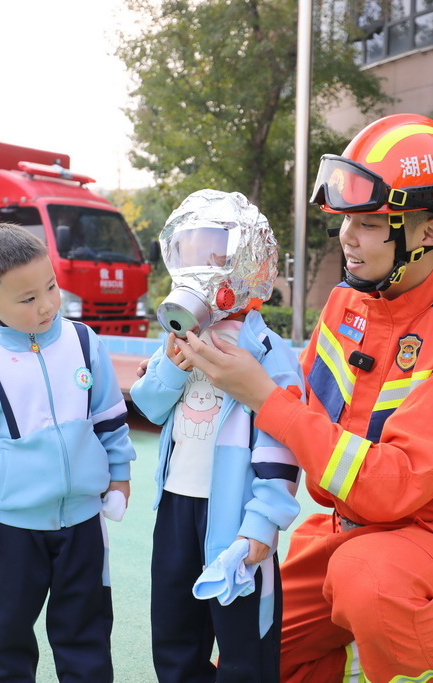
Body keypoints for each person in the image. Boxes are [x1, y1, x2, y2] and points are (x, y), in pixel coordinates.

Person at [175, 114, 433, 682]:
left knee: (371, 583)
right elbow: (299, 403)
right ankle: (366, 654)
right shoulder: (347, 302)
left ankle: (425, 650)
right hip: (345, 535)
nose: (347, 236)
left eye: (368, 223)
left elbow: (390, 487)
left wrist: (262, 395)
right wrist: (207, 363)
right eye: (345, 220)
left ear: (428, 233)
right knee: (245, 654)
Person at [0, 223, 136, 682]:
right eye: (28, 299)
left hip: (83, 522)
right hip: (11, 530)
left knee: (86, 633)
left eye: (51, 286)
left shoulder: (84, 342)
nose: (48, 304)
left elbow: (110, 417)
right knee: (5, 637)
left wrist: (119, 473)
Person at [130, 189, 304, 683]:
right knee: (173, 627)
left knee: (244, 637)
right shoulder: (179, 340)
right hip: (177, 505)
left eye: (213, 253)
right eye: (188, 251)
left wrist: (263, 522)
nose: (200, 268)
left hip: (236, 513)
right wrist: (170, 365)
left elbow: (284, 439)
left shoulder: (265, 349)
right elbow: (148, 405)